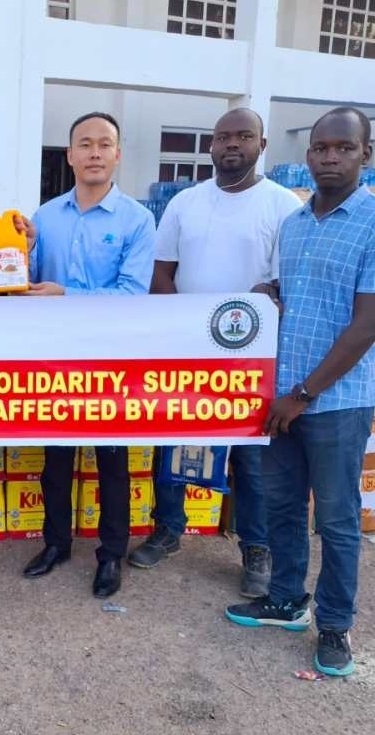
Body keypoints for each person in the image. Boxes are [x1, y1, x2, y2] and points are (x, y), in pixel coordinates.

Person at [128, 108, 301, 598]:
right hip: (186, 352)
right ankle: (168, 529)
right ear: (210, 146)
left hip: (249, 357)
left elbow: (284, 283)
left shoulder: (282, 205)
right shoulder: (185, 203)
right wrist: (179, 331)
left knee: (249, 456)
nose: (232, 145)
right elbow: (162, 273)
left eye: (244, 136)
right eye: (223, 137)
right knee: (173, 444)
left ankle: (256, 547)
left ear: (261, 145)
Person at [226, 107, 375, 677]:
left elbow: (366, 324)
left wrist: (305, 393)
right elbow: (297, 294)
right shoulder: (293, 222)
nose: (329, 158)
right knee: (283, 506)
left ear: (365, 154)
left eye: (343, 147)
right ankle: (287, 600)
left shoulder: (371, 222)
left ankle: (334, 626)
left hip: (335, 402)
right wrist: (268, 291)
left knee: (336, 519)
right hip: (281, 396)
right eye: (320, 148)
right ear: (307, 155)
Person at [20, 111, 155, 598]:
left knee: (112, 464)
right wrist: (20, 250)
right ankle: (56, 543)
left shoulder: (138, 220)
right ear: (70, 155)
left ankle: (110, 554)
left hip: (111, 361)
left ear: (117, 154)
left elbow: (132, 294)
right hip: (55, 358)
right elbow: (26, 282)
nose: (94, 152)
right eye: (85, 144)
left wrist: (67, 294)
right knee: (55, 461)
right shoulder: (45, 217)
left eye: (104, 144)